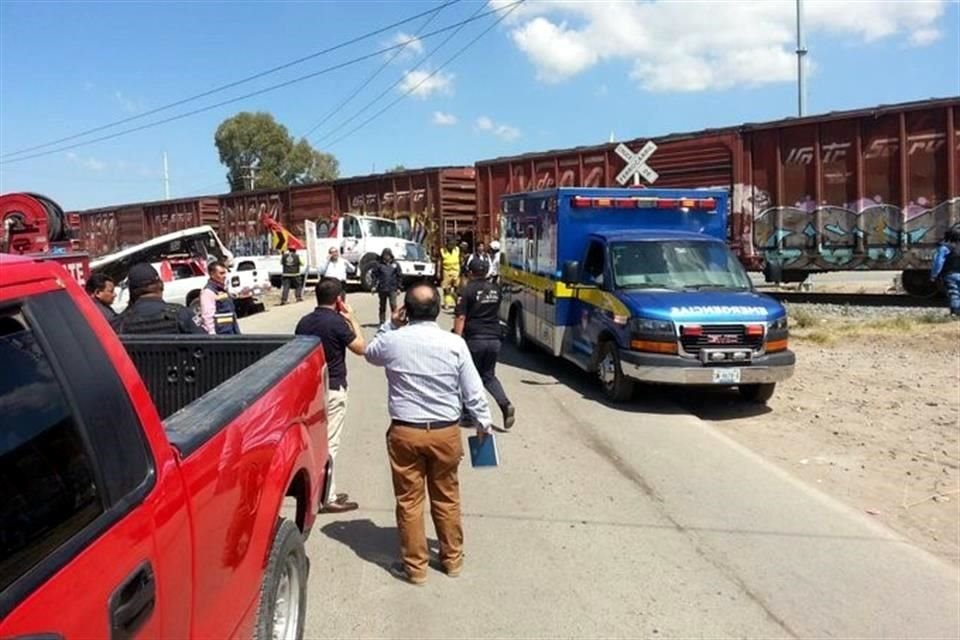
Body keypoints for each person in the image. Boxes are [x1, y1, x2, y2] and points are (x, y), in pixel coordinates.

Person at [365, 283, 493, 585]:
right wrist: (483, 423)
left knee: (409, 501)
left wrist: (389, 324)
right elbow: (473, 390)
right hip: (444, 433)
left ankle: (416, 568)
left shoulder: (393, 341)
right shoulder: (454, 344)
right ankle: (452, 560)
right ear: (437, 309)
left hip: (405, 433)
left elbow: (370, 353)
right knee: (447, 497)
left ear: (405, 310)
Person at [294, 277, 366, 513]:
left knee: (316, 441)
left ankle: (322, 490)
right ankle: (328, 496)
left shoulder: (304, 322)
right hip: (333, 387)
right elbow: (361, 348)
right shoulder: (337, 322)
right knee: (330, 442)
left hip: (311, 389)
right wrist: (352, 318)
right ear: (339, 300)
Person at [455, 258, 515, 430]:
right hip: (494, 338)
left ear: (470, 272)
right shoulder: (496, 289)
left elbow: (460, 317)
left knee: (467, 375)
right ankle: (505, 404)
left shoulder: (467, 291)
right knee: (488, 375)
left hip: (475, 339)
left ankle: (467, 415)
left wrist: (457, 339)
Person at [112, 263, 205, 334]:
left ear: (131, 291)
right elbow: (207, 347)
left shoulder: (119, 323)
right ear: (161, 285)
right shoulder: (182, 314)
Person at [200, 261, 240, 335]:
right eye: (221, 273)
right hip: (221, 333)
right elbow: (207, 316)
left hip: (231, 329)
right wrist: (212, 334)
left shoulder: (223, 289)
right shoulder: (208, 292)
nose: (225, 275)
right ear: (212, 274)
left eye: (225, 272)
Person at [931, 226, 960, 316]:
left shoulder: (945, 248)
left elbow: (938, 262)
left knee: (954, 292)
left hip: (950, 273)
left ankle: (955, 313)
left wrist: (934, 275)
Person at [371, 248, 403, 325]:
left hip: (392, 288)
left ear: (391, 255)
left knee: (393, 305)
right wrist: (373, 286)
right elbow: (374, 276)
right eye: (385, 255)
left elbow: (399, 276)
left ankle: (395, 320)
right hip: (382, 288)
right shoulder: (379, 265)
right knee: (382, 306)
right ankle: (382, 321)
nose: (386, 257)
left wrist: (399, 287)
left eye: (388, 255)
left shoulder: (395, 265)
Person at [438, 237, 461, 310]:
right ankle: (447, 303)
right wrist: (438, 272)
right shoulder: (442, 251)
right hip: (446, 271)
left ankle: (456, 302)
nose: (452, 246)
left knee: (456, 288)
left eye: (453, 244)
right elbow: (439, 262)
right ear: (447, 244)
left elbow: (461, 259)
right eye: (450, 244)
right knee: (446, 288)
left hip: (456, 271)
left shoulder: (457, 249)